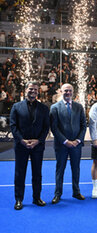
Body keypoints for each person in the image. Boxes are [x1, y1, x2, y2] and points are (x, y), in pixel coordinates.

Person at [10, 82, 50, 210]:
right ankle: (18, 199)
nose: (33, 91)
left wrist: (38, 141)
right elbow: (13, 126)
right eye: (31, 89)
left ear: (38, 92)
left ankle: (37, 198)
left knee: (37, 173)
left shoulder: (44, 108)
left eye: (35, 90)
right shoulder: (16, 107)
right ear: (26, 90)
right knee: (19, 173)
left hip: (37, 147)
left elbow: (46, 128)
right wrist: (22, 140)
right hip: (21, 146)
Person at [50, 83, 87, 204]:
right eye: (65, 91)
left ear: (73, 92)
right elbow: (54, 128)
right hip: (62, 145)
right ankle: (57, 194)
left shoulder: (79, 107)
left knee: (76, 169)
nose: (68, 93)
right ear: (61, 91)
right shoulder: (54, 107)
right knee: (60, 169)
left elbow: (83, 125)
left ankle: (76, 192)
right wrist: (65, 141)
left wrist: (77, 140)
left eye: (70, 91)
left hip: (76, 145)